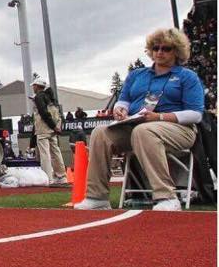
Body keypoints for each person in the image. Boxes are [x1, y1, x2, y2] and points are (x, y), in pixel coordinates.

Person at [76, 28, 205, 212]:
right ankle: (97, 197)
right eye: (155, 47)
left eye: (166, 48)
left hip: (178, 128)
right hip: (136, 125)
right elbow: (124, 100)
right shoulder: (137, 75)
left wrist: (158, 117)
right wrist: (120, 110)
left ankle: (166, 196)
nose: (159, 52)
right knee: (100, 132)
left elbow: (195, 114)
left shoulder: (187, 76)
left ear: (176, 51)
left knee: (144, 131)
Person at [31, 80, 69, 187]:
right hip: (53, 128)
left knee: (45, 154)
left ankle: (48, 178)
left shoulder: (38, 97)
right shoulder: (50, 98)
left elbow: (43, 112)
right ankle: (61, 176)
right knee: (56, 152)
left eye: (34, 85)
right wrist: (56, 126)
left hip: (43, 128)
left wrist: (52, 125)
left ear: (37, 86)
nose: (33, 87)